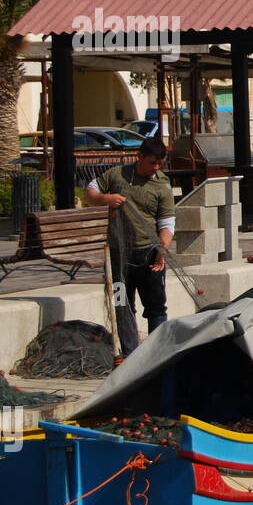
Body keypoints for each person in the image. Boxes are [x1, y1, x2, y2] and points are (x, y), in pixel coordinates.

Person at [84, 137, 175, 356]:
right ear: (140, 157)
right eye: (152, 162)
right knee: (122, 305)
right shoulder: (116, 175)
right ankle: (130, 353)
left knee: (155, 306)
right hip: (118, 253)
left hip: (149, 252)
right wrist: (106, 198)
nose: (156, 168)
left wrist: (162, 250)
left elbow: (167, 223)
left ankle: (156, 354)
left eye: (160, 164)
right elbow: (90, 193)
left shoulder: (162, 185)